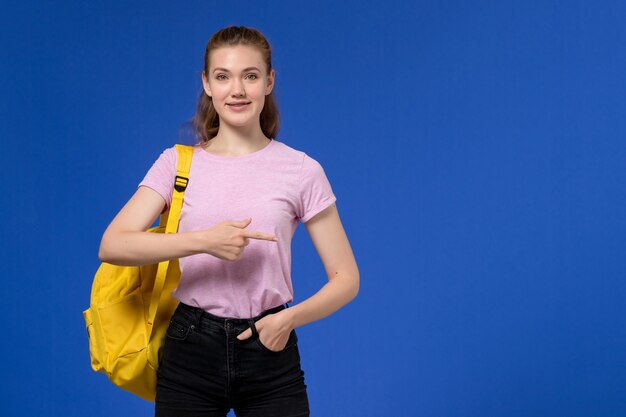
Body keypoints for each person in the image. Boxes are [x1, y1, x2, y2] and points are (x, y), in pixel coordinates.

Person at [98, 25, 359, 417]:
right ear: (207, 83)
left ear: (269, 82)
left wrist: (287, 319)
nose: (236, 90)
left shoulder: (301, 170)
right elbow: (113, 245)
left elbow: (346, 278)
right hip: (190, 346)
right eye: (223, 76)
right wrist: (204, 241)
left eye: (250, 76)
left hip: (270, 346)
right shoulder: (176, 164)